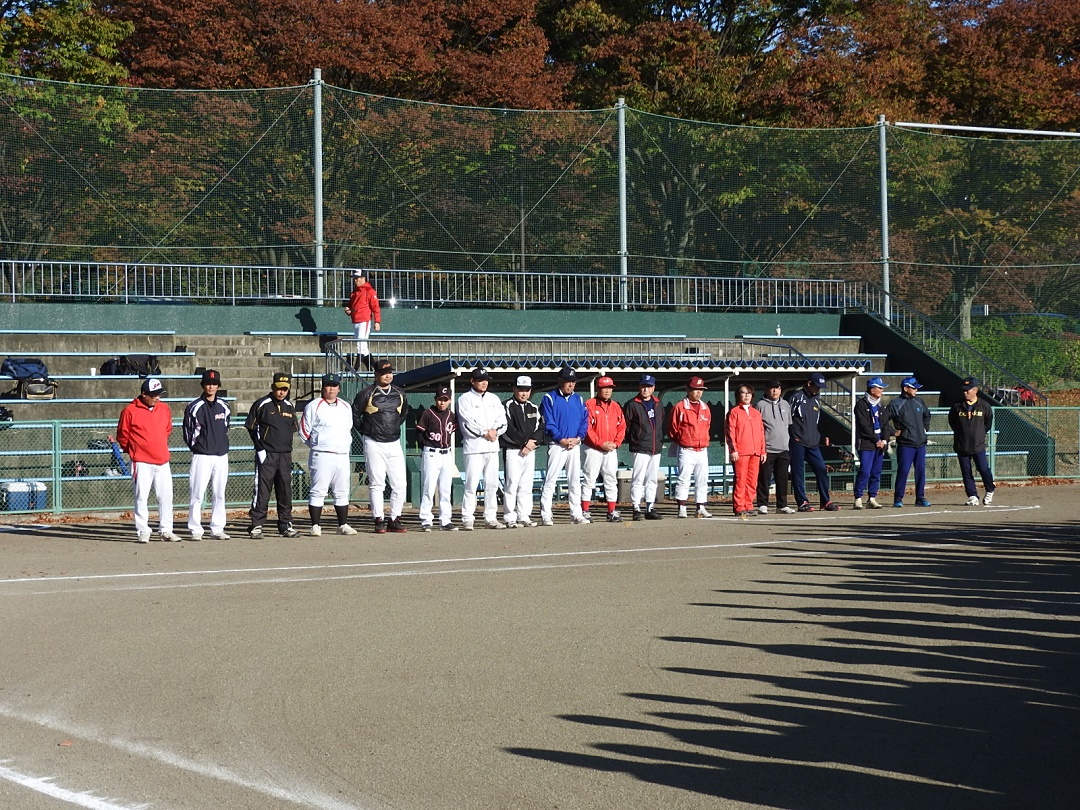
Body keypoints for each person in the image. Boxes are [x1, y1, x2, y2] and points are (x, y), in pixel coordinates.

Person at [116, 377, 178, 543]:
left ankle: (166, 530)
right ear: (144, 394)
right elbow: (123, 435)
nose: (157, 397)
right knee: (141, 497)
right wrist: (134, 451)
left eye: (159, 394)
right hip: (141, 461)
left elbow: (167, 429)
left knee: (166, 496)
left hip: (162, 460)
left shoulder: (164, 408)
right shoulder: (130, 410)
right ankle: (143, 530)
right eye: (153, 395)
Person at [353, 360, 409, 533]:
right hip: (374, 442)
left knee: (400, 484)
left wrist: (392, 428)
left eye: (390, 372)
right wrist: (365, 431)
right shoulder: (366, 393)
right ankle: (379, 519)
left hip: (394, 442)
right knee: (377, 483)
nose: (388, 375)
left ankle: (395, 518)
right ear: (376, 374)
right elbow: (355, 415)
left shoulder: (400, 393)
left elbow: (403, 414)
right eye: (384, 373)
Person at [300, 373, 357, 535]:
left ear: (339, 388)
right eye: (328, 385)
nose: (331, 389)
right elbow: (304, 430)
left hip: (342, 454)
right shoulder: (314, 405)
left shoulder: (346, 406)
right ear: (322, 387)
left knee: (342, 490)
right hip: (322, 454)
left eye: (334, 386)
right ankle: (315, 526)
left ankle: (343, 525)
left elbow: (348, 427)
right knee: (318, 490)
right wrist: (318, 444)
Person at [245, 372, 299, 538]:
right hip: (267, 455)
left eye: (285, 389)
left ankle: (285, 524)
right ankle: (257, 524)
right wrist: (260, 448)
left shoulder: (289, 406)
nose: (281, 392)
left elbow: (292, 428)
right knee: (262, 490)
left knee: (285, 491)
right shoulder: (262, 404)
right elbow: (251, 427)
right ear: (273, 387)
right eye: (278, 389)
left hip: (284, 455)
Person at [183, 369, 231, 539]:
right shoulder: (194, 406)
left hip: (221, 455)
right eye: (208, 384)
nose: (211, 387)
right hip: (202, 456)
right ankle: (195, 529)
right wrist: (199, 447)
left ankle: (217, 528)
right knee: (197, 493)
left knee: (219, 493)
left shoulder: (224, 406)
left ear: (218, 386)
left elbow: (226, 427)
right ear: (203, 385)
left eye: (214, 384)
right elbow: (188, 432)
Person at [457, 367, 508, 530]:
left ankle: (490, 517)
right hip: (474, 448)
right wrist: (484, 432)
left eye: (486, 380)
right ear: (472, 381)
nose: (484, 383)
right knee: (471, 484)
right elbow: (466, 422)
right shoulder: (464, 399)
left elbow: (503, 421)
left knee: (492, 485)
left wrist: (495, 432)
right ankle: (468, 518)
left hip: (492, 447)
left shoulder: (494, 399)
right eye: (480, 380)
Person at [540, 366, 590, 526]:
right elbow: (549, 422)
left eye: (573, 382)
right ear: (560, 381)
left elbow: (584, 421)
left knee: (574, 480)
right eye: (567, 381)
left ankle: (576, 514)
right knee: (550, 480)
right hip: (557, 445)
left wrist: (578, 438)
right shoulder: (549, 397)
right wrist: (560, 438)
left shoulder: (579, 399)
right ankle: (546, 514)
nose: (570, 385)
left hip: (574, 445)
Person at [789, 372, 840, 512]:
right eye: (816, 386)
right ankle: (802, 501)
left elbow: (817, 422)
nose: (818, 389)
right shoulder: (796, 397)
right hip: (797, 441)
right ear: (809, 383)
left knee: (821, 469)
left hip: (813, 443)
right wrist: (794, 435)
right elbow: (788, 419)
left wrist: (820, 437)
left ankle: (825, 501)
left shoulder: (817, 400)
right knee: (798, 472)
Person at [501, 375, 544, 528]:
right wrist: (524, 442)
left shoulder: (534, 407)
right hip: (513, 451)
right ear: (514, 389)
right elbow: (507, 428)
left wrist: (532, 443)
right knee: (511, 484)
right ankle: (509, 517)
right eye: (521, 390)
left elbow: (541, 427)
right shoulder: (506, 405)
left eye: (527, 390)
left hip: (530, 451)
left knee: (526, 484)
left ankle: (524, 515)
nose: (524, 393)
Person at [581, 376, 626, 522]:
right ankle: (585, 511)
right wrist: (600, 443)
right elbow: (587, 427)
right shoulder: (589, 404)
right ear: (598, 389)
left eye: (610, 388)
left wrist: (616, 443)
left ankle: (612, 511)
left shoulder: (616, 406)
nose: (607, 391)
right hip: (592, 448)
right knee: (589, 479)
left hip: (611, 449)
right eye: (604, 388)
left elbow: (622, 426)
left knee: (611, 479)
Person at [415, 384, 459, 531]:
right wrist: (425, 447)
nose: (442, 402)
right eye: (440, 399)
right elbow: (419, 433)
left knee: (445, 489)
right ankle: (426, 520)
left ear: (450, 401)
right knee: (428, 488)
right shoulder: (428, 413)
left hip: (446, 454)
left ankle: (445, 520)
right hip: (431, 453)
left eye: (445, 400)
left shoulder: (452, 416)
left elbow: (454, 430)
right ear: (435, 399)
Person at [669, 376, 713, 518]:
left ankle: (701, 507)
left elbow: (708, 426)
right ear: (688, 390)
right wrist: (683, 439)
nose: (699, 392)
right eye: (695, 389)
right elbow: (673, 429)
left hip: (702, 449)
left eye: (701, 390)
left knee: (702, 479)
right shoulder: (680, 407)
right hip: (686, 449)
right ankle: (682, 507)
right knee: (684, 479)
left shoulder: (705, 407)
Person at [948, 376, 996, 506]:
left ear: (975, 390)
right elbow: (952, 422)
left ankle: (990, 489)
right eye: (963, 390)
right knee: (966, 472)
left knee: (983, 469)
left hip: (978, 445)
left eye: (968, 390)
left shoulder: (984, 406)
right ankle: (972, 495)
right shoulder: (957, 406)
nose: (965, 392)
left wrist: (978, 435)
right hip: (962, 445)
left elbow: (987, 424)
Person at [623, 373, 664, 520]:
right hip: (640, 446)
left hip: (655, 447)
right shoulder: (632, 404)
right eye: (643, 386)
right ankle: (636, 507)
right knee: (638, 478)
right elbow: (626, 426)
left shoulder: (658, 403)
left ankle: (649, 507)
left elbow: (660, 422)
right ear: (639, 387)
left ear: (653, 388)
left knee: (652, 479)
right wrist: (635, 439)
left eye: (648, 386)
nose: (645, 389)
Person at [887, 376, 932, 508]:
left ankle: (920, 497)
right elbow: (883, 419)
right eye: (913, 388)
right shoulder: (896, 403)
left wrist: (925, 428)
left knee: (921, 471)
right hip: (906, 444)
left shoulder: (919, 401)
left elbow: (927, 415)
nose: (916, 390)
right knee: (903, 471)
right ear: (905, 388)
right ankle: (898, 498)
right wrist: (893, 432)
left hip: (920, 443)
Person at [727, 383, 766, 518]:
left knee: (752, 480)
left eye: (749, 393)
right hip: (741, 452)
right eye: (743, 393)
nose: (747, 395)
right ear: (738, 395)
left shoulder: (756, 413)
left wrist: (763, 451)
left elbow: (761, 433)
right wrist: (733, 450)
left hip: (755, 452)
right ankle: (739, 506)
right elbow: (730, 432)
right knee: (741, 480)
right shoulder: (734, 412)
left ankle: (749, 504)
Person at [755, 379, 793, 514]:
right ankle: (762, 504)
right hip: (767, 449)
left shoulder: (785, 404)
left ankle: (782, 505)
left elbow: (788, 424)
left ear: (781, 390)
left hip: (783, 448)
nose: (775, 390)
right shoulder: (760, 405)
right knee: (764, 478)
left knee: (782, 479)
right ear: (766, 390)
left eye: (777, 388)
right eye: (772, 388)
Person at [852, 377, 889, 510]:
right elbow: (864, 426)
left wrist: (884, 440)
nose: (882, 390)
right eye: (880, 388)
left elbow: (885, 424)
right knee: (865, 471)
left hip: (880, 443)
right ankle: (858, 498)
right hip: (866, 443)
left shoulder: (881, 406)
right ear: (872, 389)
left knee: (876, 472)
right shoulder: (861, 405)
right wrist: (876, 440)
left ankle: (872, 498)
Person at [343, 269, 381, 369]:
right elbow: (350, 306)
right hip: (356, 320)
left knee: (360, 345)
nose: (355, 280)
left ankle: (355, 369)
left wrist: (377, 321)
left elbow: (376, 307)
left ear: (363, 278)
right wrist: (348, 310)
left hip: (364, 320)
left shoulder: (370, 291)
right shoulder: (355, 292)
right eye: (354, 278)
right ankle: (375, 368)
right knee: (363, 347)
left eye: (357, 278)